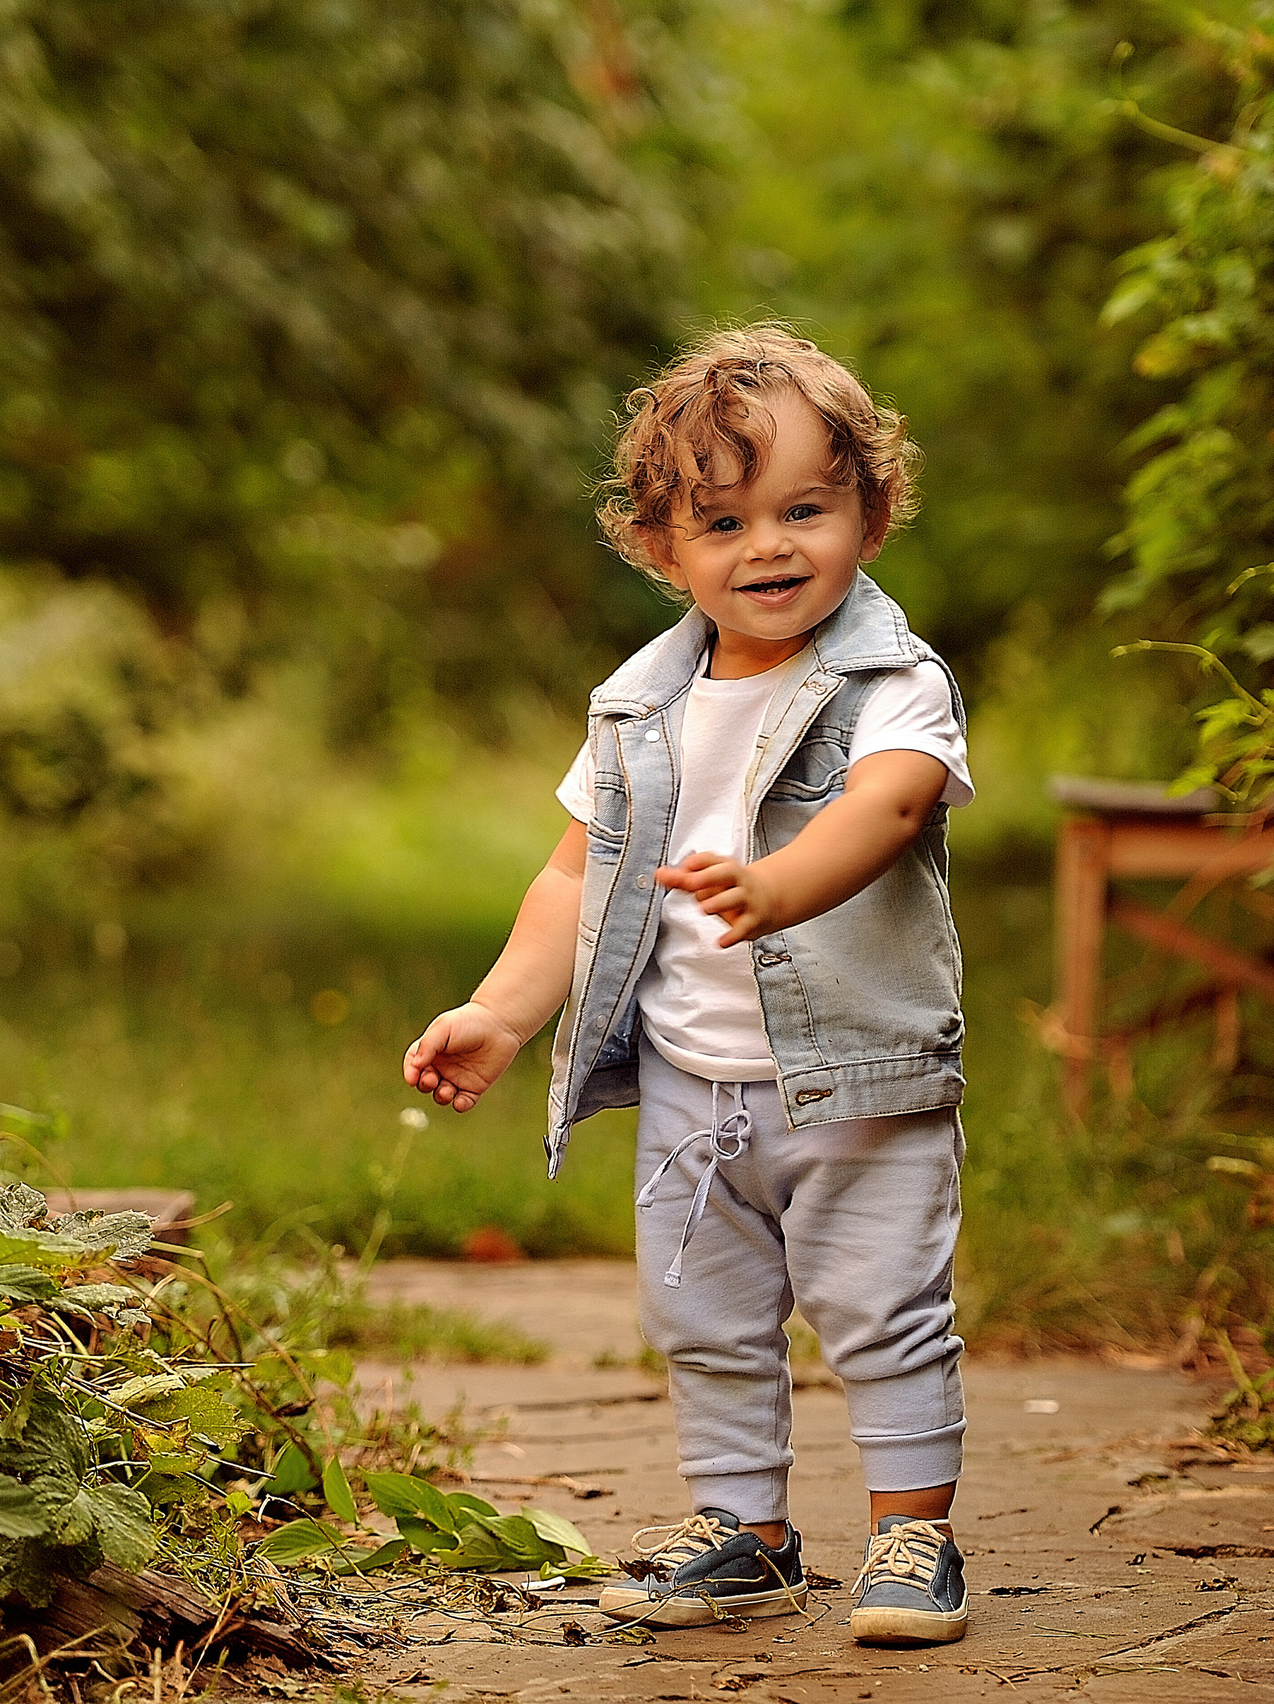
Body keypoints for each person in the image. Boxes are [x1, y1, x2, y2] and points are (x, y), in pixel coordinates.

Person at [401, 323, 974, 1647]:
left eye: (806, 509)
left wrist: (782, 887)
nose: (767, 546)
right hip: (691, 1085)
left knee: (880, 1303)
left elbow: (889, 810)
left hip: (856, 1080)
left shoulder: (893, 681)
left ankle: (912, 1533)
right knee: (705, 1318)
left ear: (870, 516)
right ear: (663, 550)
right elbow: (574, 879)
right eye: (723, 521)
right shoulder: (635, 704)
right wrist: (501, 1009)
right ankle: (746, 1533)